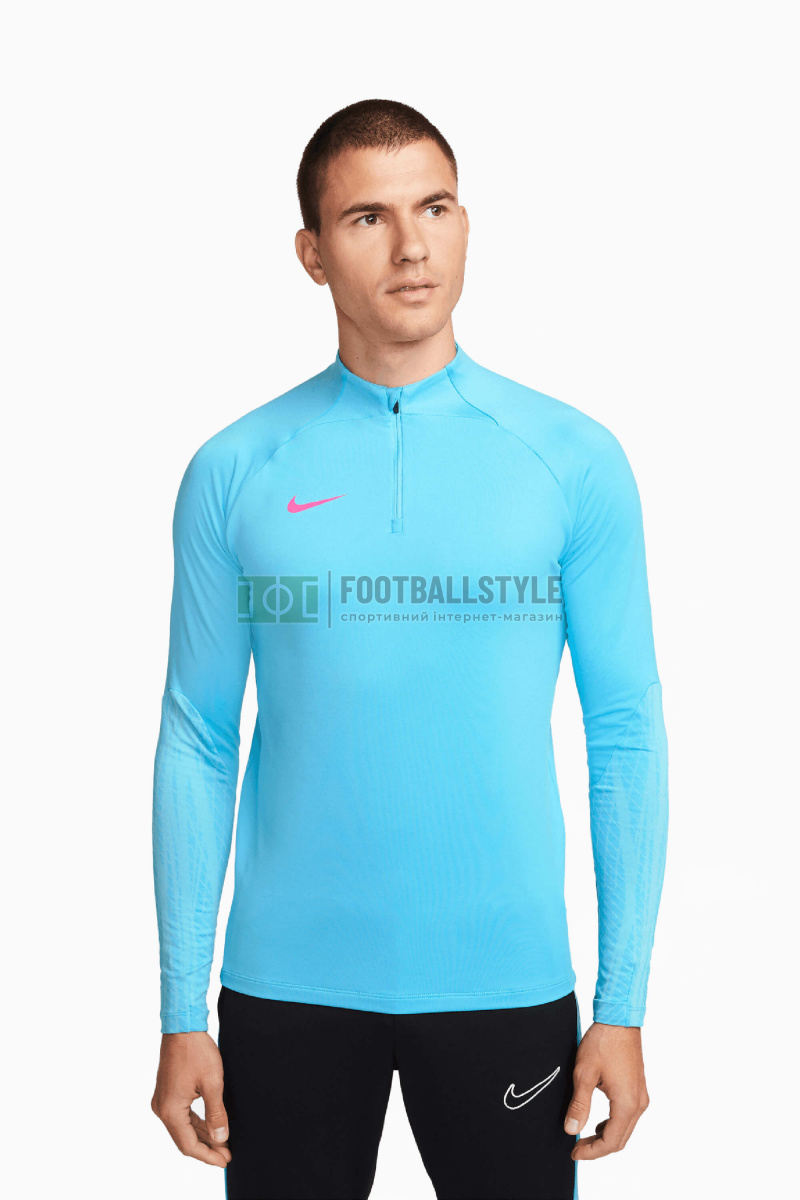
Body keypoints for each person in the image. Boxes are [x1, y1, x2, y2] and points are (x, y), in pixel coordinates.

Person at [150, 98, 669, 1200]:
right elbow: (198, 736)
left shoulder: (570, 460)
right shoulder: (235, 469)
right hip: (285, 990)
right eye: (367, 218)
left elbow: (624, 732)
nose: (411, 246)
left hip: (505, 984)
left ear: (465, 223)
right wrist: (180, 1008)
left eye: (434, 207)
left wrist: (622, 1003)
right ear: (311, 254)